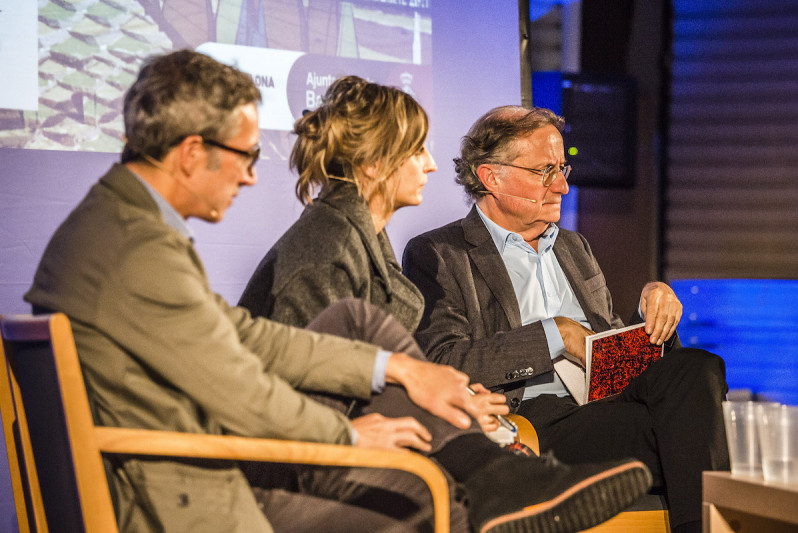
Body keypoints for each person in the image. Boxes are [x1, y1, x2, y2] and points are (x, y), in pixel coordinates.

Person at [24, 52, 652, 533]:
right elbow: (241, 388)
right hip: (192, 488)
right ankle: (492, 486)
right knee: (438, 506)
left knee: (363, 328)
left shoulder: (123, 227)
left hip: (204, 460)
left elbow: (245, 337)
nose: (249, 174)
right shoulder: (136, 250)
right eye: (244, 154)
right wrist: (354, 438)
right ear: (192, 152)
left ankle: (498, 481)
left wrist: (404, 368)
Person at [402, 105, 730, 533]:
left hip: (604, 407)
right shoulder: (440, 253)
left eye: (562, 168)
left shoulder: (574, 247)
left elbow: (607, 349)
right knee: (692, 435)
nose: (561, 185)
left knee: (698, 369)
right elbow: (445, 360)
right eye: (544, 171)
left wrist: (652, 314)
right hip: (532, 422)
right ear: (491, 177)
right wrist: (554, 334)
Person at [238, 75, 507, 432]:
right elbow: (314, 388)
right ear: (374, 164)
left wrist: (451, 396)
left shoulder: (356, 235)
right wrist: (449, 410)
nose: (431, 164)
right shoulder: (327, 249)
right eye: (417, 151)